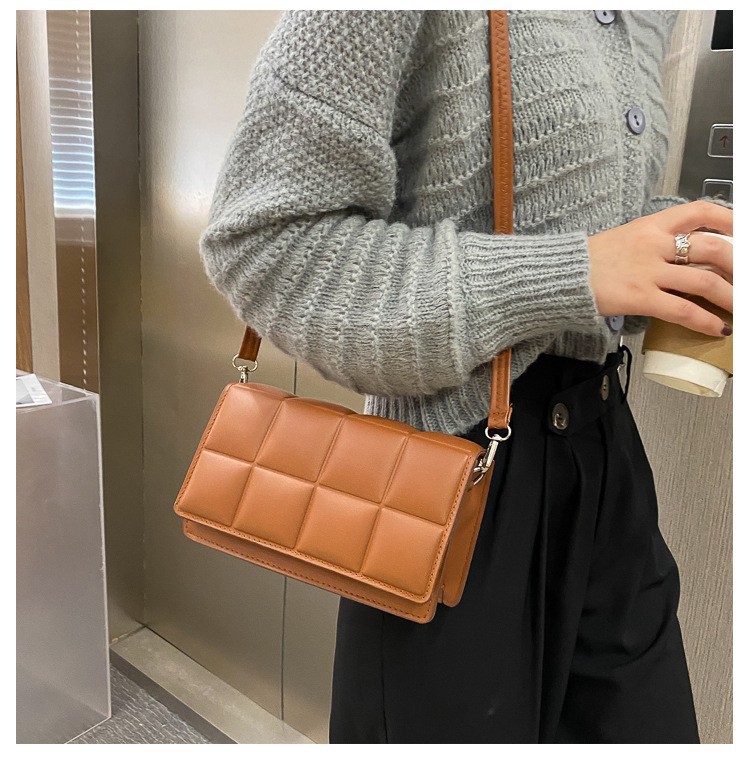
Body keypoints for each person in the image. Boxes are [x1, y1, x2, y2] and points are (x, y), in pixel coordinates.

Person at [198, 10, 732, 743]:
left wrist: (682, 256)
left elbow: (591, 231)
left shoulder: (648, 16)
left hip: (607, 464)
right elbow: (267, 246)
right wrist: (572, 273)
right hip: (453, 480)